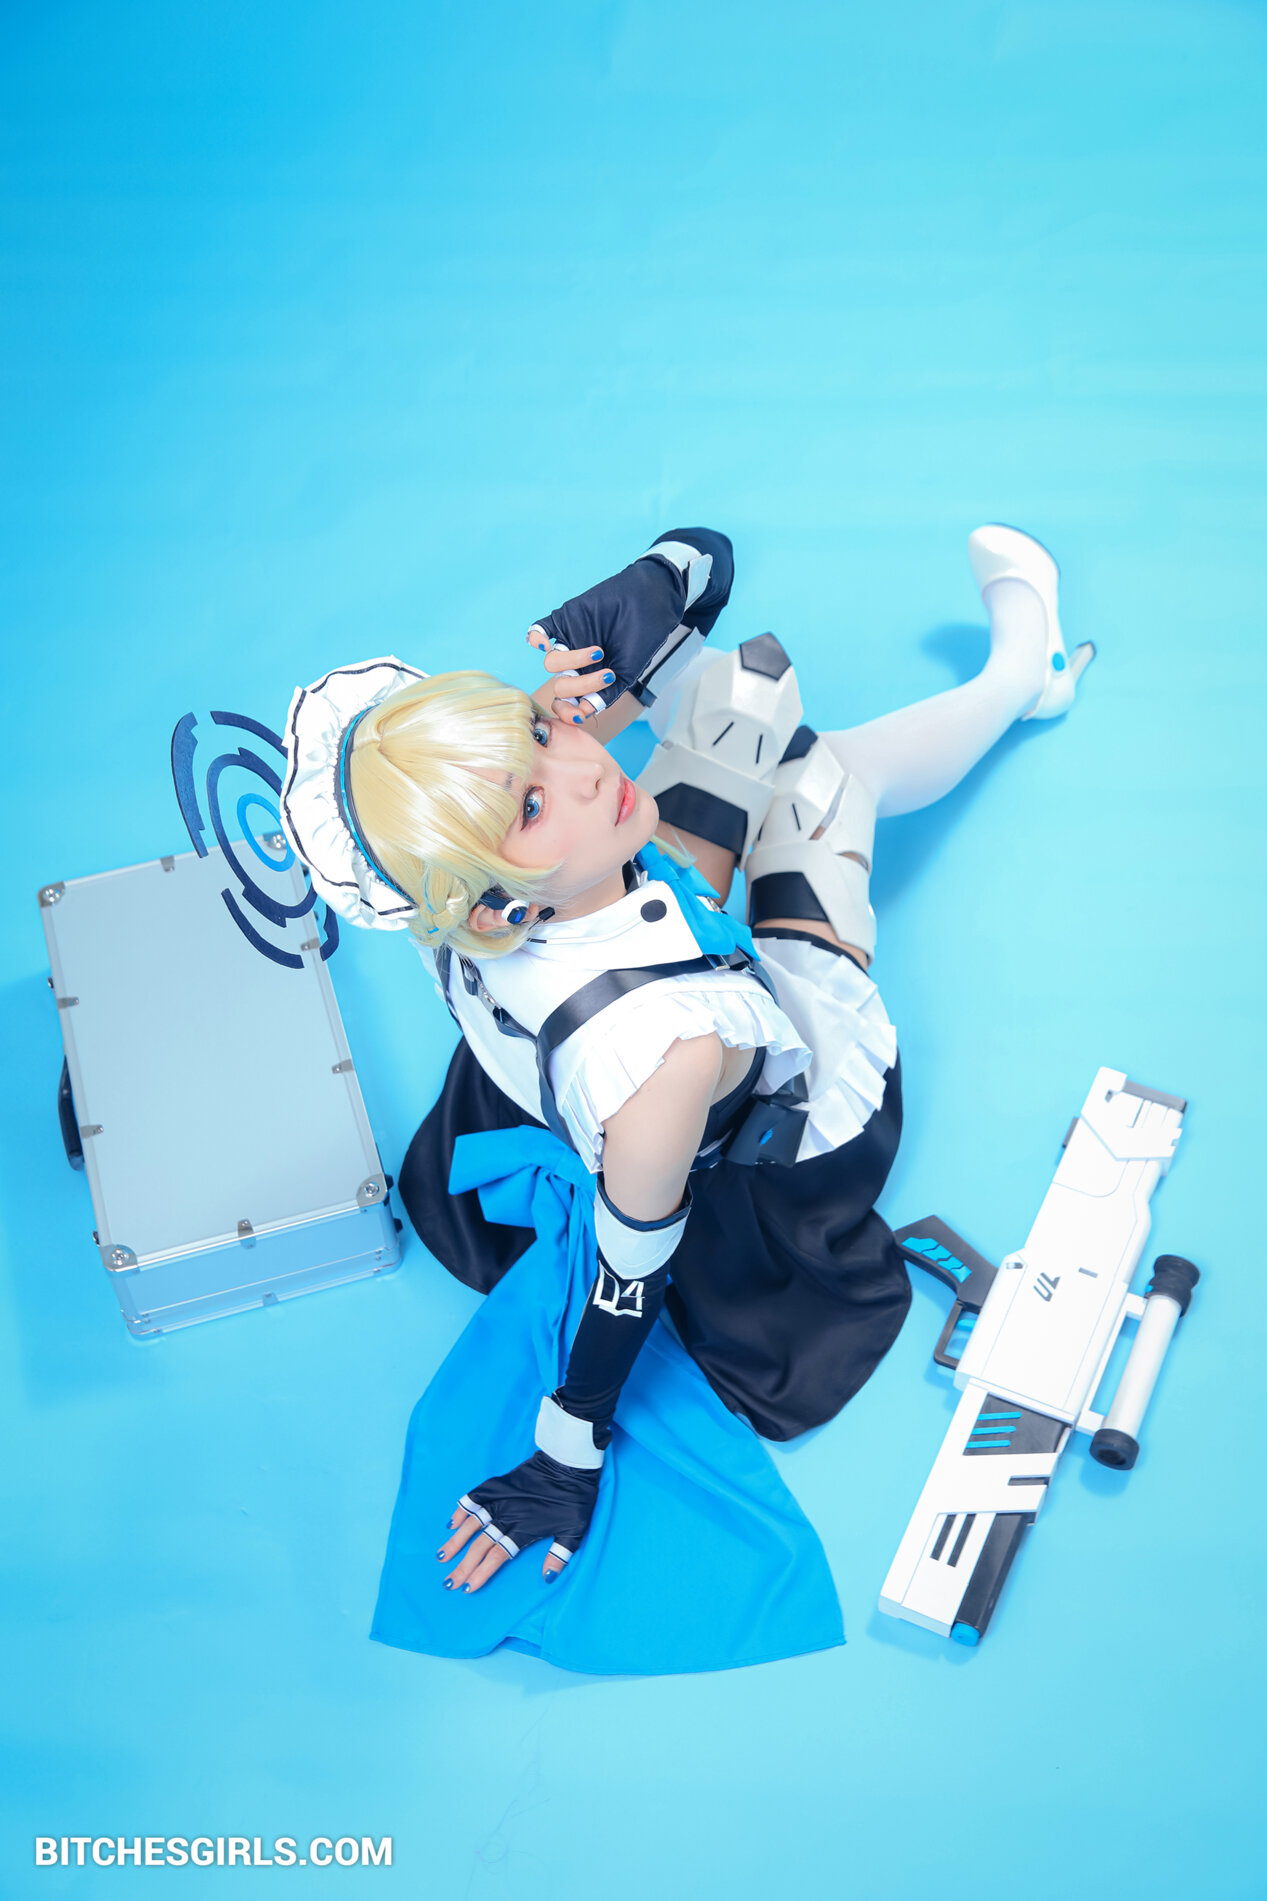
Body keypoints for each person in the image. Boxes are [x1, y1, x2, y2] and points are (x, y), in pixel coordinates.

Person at [279, 523, 1093, 1609]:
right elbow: (629, 1273)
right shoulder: (669, 1052)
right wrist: (566, 1448)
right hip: (757, 1133)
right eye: (529, 801)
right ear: (490, 903)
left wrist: (661, 577)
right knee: (823, 775)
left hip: (609, 962)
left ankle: (984, 690)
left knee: (745, 687)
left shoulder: (432, 878)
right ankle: (1020, 679)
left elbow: (702, 569)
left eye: (539, 729)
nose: (581, 769)